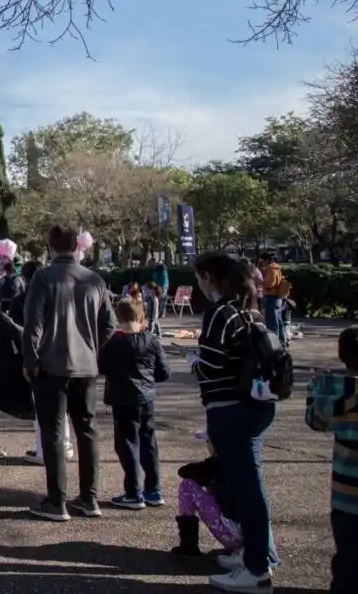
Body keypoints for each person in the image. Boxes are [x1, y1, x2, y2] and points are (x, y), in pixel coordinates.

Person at [190, 251, 278, 591]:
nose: (198, 284)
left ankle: (256, 568)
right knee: (250, 486)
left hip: (230, 410)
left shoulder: (220, 312)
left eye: (199, 277)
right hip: (257, 405)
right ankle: (256, 555)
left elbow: (212, 364)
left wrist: (194, 362)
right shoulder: (251, 311)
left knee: (247, 491)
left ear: (209, 277)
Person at [23, 224, 116, 522]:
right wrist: (93, 348)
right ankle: (89, 497)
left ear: (50, 247)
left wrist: (30, 361)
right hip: (86, 365)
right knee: (87, 431)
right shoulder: (95, 279)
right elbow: (109, 325)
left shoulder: (43, 278)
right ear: (77, 246)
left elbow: (33, 324)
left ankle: (56, 500)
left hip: (51, 365)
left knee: (53, 432)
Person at [98, 298, 170, 510]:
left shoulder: (112, 343)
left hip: (122, 398)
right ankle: (154, 489)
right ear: (141, 316)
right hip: (146, 398)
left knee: (127, 444)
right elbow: (164, 372)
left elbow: (101, 366)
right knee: (148, 442)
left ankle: (133, 492)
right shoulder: (152, 340)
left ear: (118, 318)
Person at [306, 325, 358, 594]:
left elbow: (314, 420)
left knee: (347, 562)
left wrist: (317, 387)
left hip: (345, 495)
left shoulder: (336, 393)